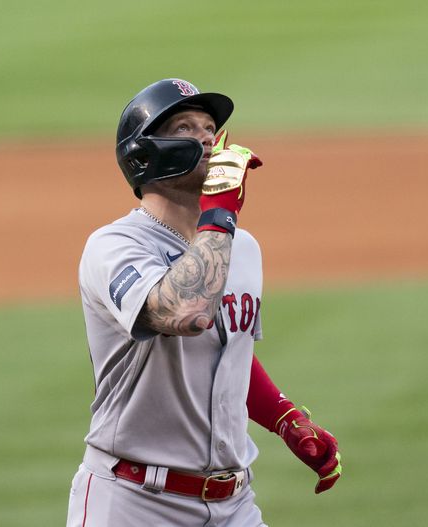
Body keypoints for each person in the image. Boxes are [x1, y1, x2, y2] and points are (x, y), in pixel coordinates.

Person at [66, 78, 342, 526]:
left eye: (209, 128)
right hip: (134, 502)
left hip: (234, 504)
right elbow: (185, 313)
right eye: (185, 128)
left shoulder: (241, 247)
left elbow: (229, 350)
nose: (207, 139)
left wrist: (284, 417)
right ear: (144, 155)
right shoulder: (115, 247)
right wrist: (220, 213)